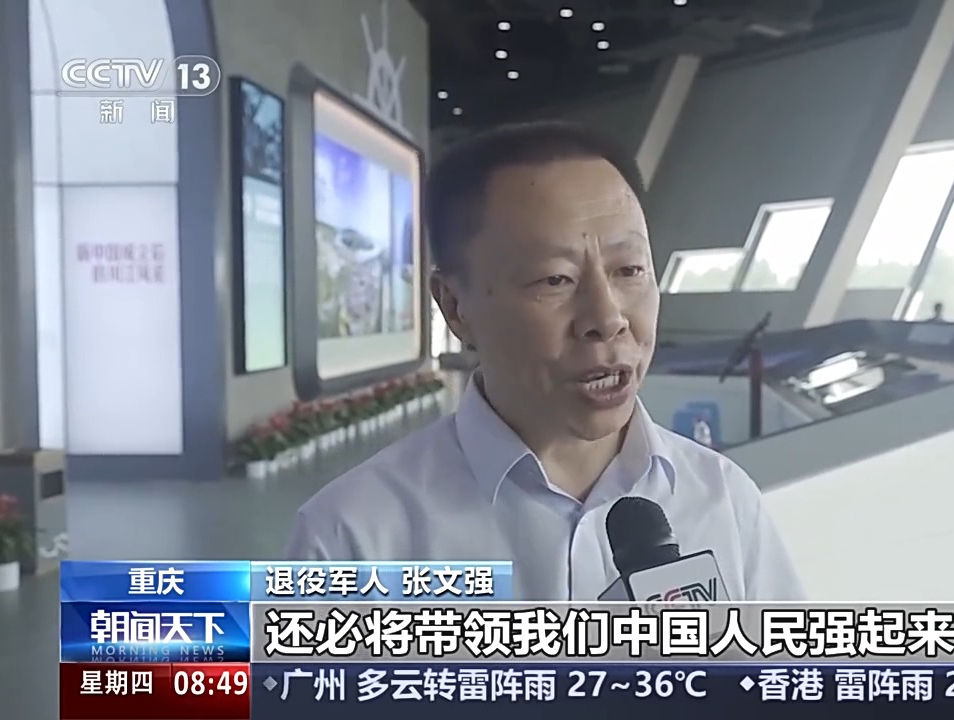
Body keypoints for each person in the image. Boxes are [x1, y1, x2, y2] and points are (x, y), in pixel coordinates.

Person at [284, 121, 804, 601]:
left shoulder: (725, 501)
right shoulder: (348, 540)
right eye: (555, 279)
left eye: (629, 269)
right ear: (456, 306)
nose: (607, 318)